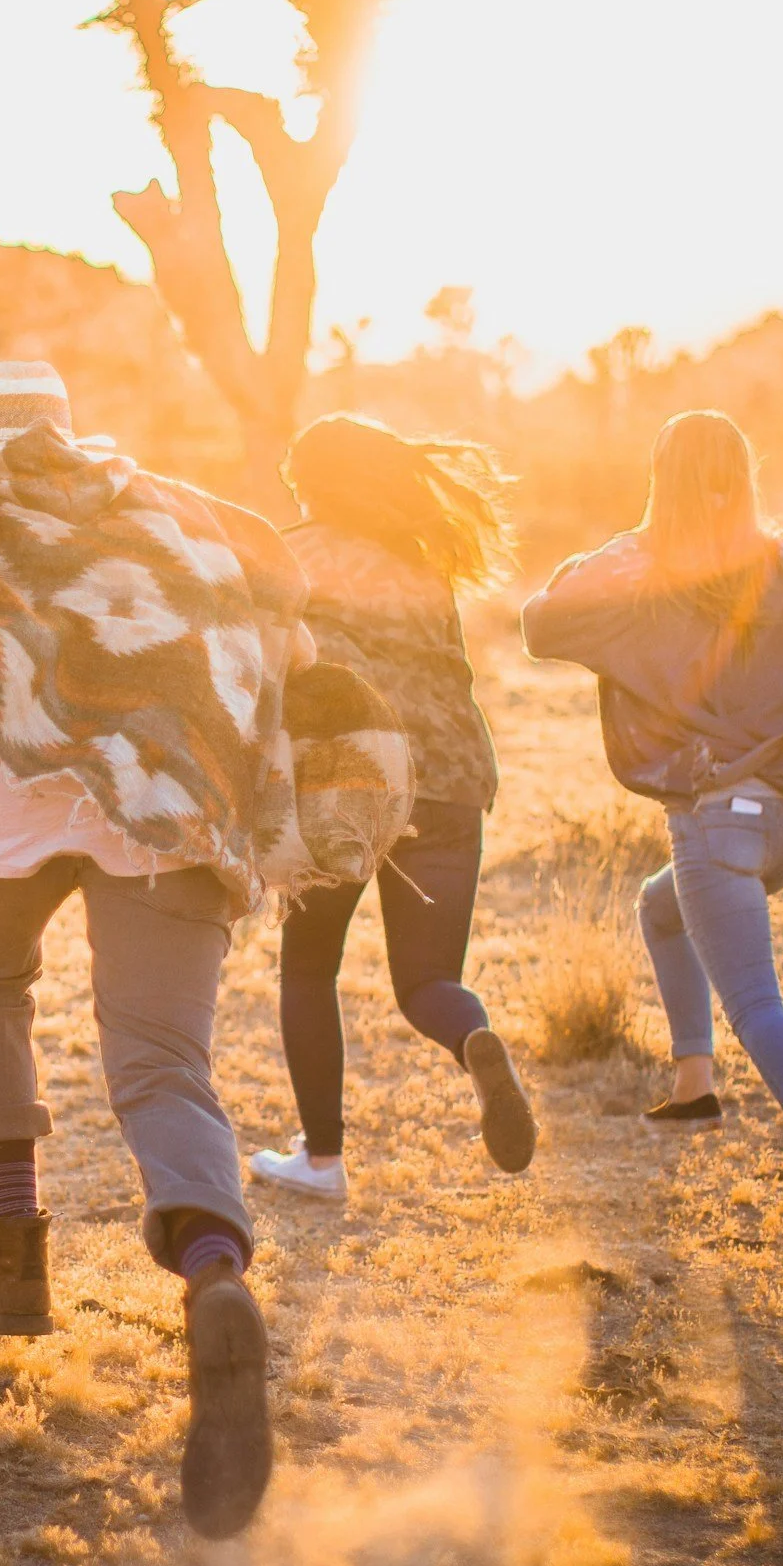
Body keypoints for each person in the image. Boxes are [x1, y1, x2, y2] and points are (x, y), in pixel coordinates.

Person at [0, 360, 397, 1540]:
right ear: (66, 425)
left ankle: (15, 1261)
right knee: (158, 1056)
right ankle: (212, 1267)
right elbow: (281, 601)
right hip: (161, 797)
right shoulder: (165, 508)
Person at [523, 409, 783, 1253]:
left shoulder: (642, 567)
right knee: (658, 907)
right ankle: (694, 1078)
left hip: (713, 823)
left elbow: (541, 618)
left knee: (756, 1003)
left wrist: (622, 544)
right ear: (744, 475)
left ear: (659, 482)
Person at [248, 416, 537, 1202]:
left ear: (314, 482)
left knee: (309, 966)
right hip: (451, 779)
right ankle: (472, 1037)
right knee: (428, 981)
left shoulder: (290, 554)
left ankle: (322, 1160)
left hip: (348, 783)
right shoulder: (423, 564)